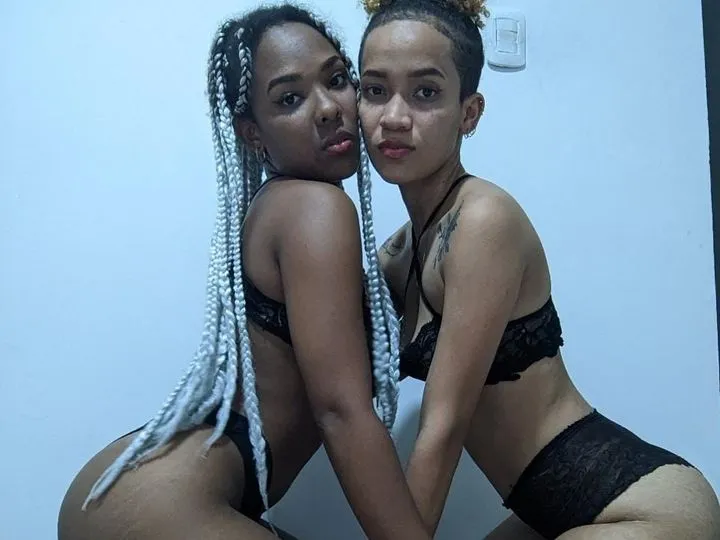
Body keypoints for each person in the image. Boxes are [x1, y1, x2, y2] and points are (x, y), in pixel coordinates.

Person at [57, 4, 431, 540]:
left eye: (336, 80)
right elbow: (341, 411)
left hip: (127, 491)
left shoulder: (280, 208)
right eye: (290, 99)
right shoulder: (315, 208)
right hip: (163, 504)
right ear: (252, 133)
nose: (328, 108)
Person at [356, 0, 720, 538]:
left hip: (646, 510)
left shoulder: (483, 220)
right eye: (374, 90)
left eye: (425, 92)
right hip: (541, 513)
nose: (393, 117)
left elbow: (444, 423)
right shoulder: (400, 252)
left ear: (469, 113)